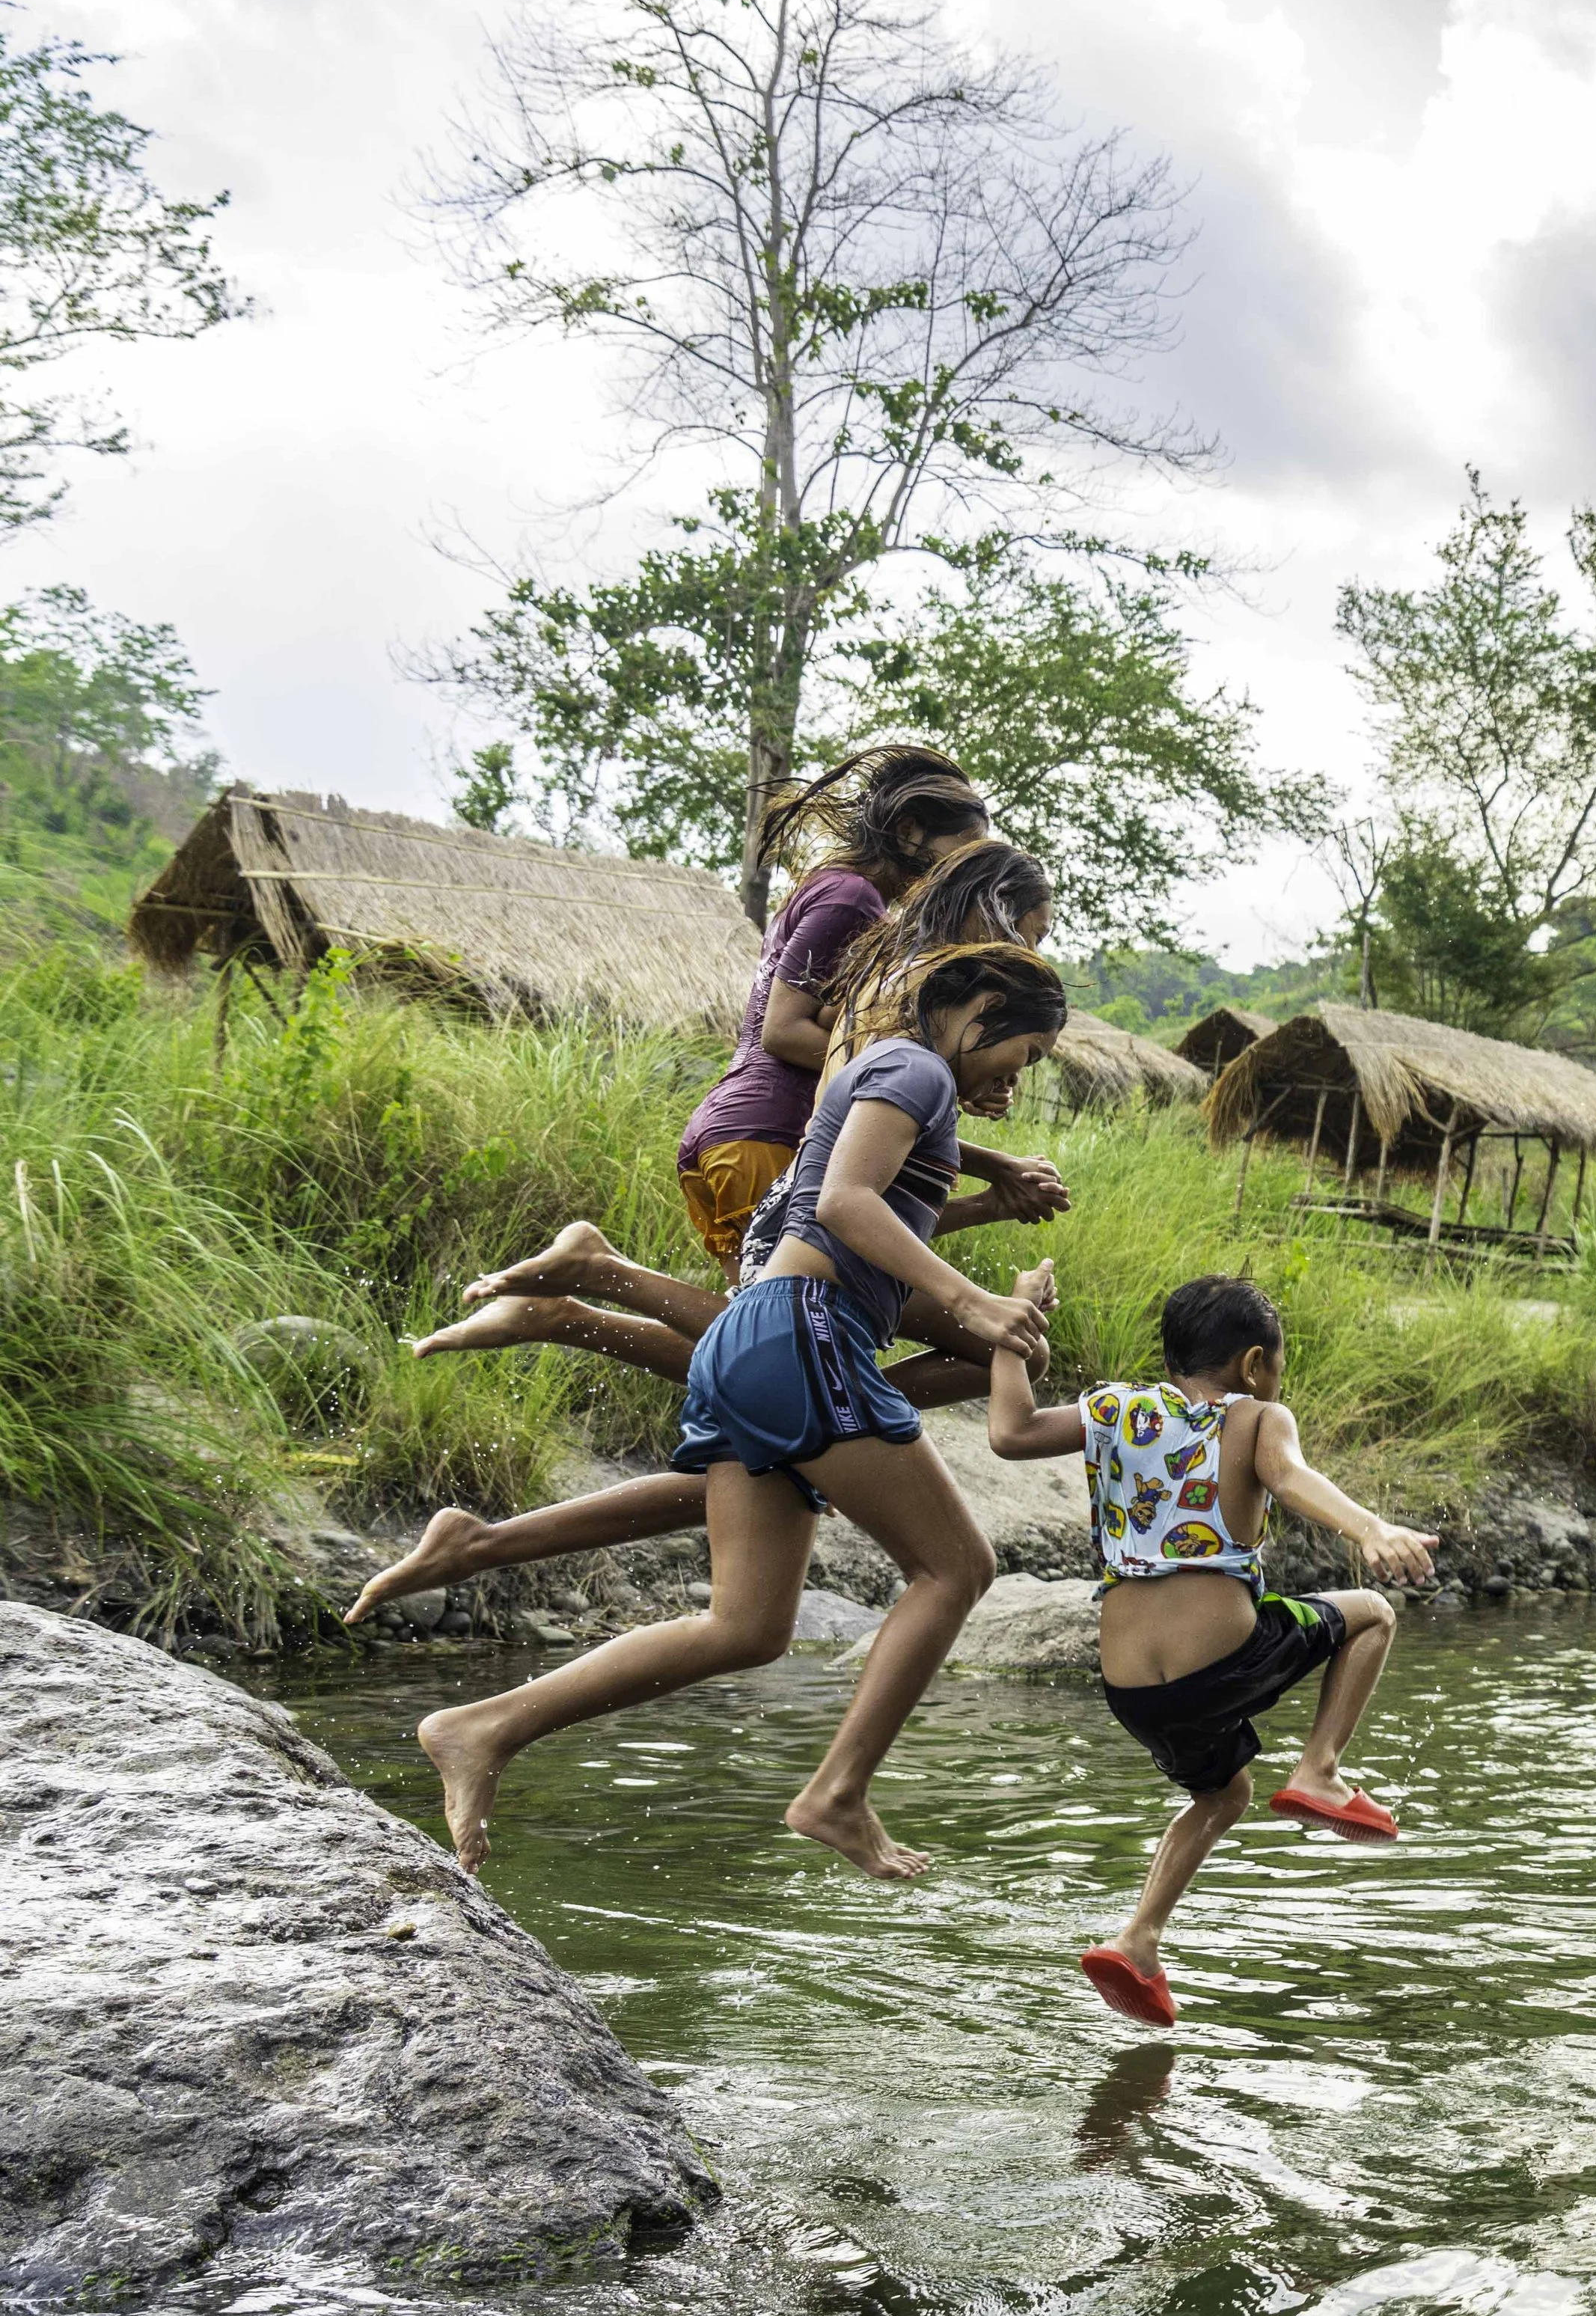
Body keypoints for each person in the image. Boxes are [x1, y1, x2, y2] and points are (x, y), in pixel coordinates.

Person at [415, 944, 1070, 1880]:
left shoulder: (898, 1075)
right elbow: (844, 1203)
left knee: (748, 1628)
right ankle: (838, 1793)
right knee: (956, 1566)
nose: (1020, 1073)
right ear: (985, 1007)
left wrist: (985, 1229)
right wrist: (973, 1303)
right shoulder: (914, 1065)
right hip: (802, 1332)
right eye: (1028, 1052)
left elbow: (843, 1208)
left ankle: (481, 1728)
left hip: (764, 1336)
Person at [344, 842, 1068, 1628]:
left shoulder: (923, 1002)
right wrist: (986, 1166)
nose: (1028, 953)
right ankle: (589, 1292)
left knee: (783, 1461)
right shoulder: (906, 988)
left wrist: (987, 1179)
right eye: (1026, 931)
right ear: (988, 910)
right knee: (832, 1376)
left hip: (795, 1189)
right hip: (771, 1157)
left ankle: (482, 1543)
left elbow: (885, 1179)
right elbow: (845, 1134)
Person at [985, 1267, 1439, 2029]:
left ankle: (1136, 1940)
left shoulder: (1113, 1408)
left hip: (1131, 1686)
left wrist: (1012, 1325)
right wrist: (1370, 1529)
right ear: (1254, 1364)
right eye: (1274, 1368)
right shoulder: (1254, 1418)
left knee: (1223, 1794)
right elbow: (1288, 1477)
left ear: (1170, 1357)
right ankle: (1320, 1772)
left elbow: (1009, 1432)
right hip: (1218, 1658)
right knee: (1370, 1615)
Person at [676, 745, 987, 1280]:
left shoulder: (845, 894)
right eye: (961, 853)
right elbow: (784, 1030)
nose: (962, 874)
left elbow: (840, 1032)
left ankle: (584, 1281)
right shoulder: (852, 897)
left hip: (739, 1130)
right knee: (794, 1324)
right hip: (766, 1131)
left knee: (750, 1346)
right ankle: (592, 1275)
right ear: (909, 832)